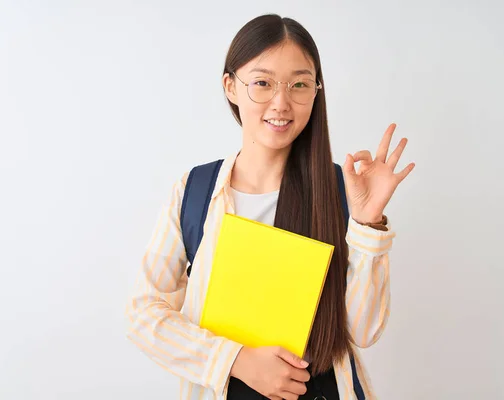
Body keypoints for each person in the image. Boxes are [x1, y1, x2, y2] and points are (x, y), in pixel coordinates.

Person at [125, 13, 415, 400]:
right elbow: (144, 313)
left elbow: (363, 331)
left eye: (299, 84)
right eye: (262, 82)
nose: (281, 102)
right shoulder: (195, 191)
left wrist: (368, 223)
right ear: (231, 86)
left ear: (316, 90)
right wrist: (236, 359)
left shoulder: (342, 190)